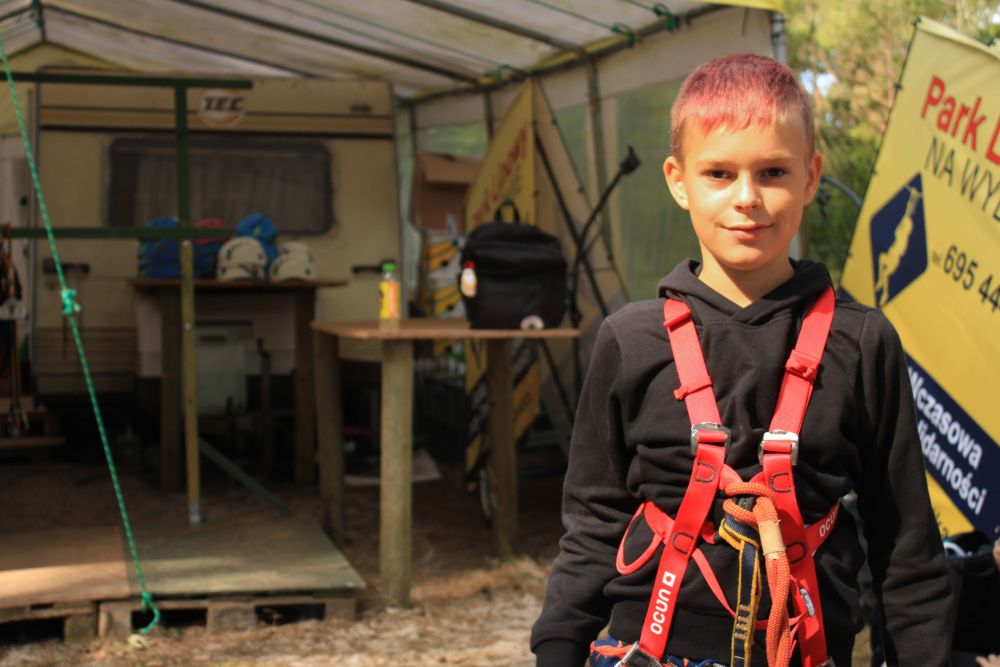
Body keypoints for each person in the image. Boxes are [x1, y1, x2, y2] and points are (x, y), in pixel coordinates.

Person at [530, 53, 952, 667]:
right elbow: (593, 524)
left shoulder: (862, 342)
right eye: (719, 173)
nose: (747, 198)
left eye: (773, 172)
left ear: (811, 177)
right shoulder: (629, 341)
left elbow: (907, 545)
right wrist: (558, 649)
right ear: (678, 180)